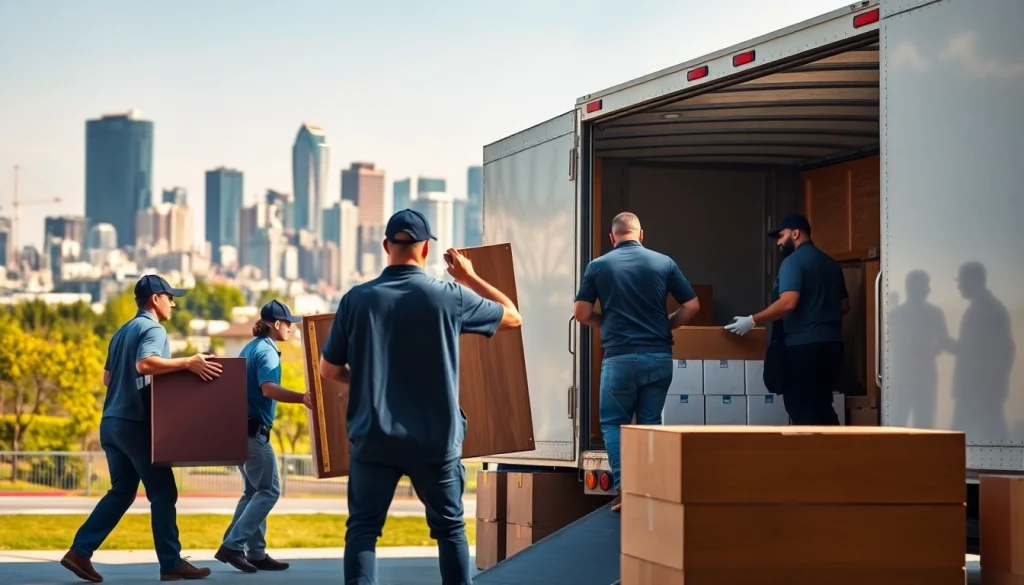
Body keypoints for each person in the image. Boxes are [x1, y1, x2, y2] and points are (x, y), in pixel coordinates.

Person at [318, 208, 522, 585]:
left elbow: (328, 371)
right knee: (449, 530)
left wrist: (365, 383)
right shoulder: (450, 297)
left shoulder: (356, 300)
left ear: (385, 246)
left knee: (363, 531)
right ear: (426, 249)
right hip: (435, 439)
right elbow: (512, 317)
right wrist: (470, 276)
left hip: (374, 438)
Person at [61, 274, 223, 583]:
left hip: (111, 423)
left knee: (122, 491)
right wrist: (188, 363)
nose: (173, 302)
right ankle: (171, 563)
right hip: (134, 424)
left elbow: (108, 379)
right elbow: (146, 363)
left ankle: (79, 552)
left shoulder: (122, 331)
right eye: (170, 297)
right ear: (155, 299)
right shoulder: (153, 328)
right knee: (163, 491)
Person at [573, 212, 700, 512]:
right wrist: (665, 326)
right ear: (641, 235)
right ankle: (650, 491)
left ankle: (628, 490)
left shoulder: (598, 266)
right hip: (659, 357)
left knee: (615, 425)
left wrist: (605, 322)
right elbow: (692, 305)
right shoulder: (664, 262)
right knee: (650, 424)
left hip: (621, 359)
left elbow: (580, 313)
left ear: (612, 236)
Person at [215, 300, 313, 573]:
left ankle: (254, 552)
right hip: (253, 433)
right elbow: (269, 389)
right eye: (289, 323)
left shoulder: (250, 347)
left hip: (240, 430)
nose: (292, 328)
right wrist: (302, 398)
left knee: (252, 492)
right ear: (276, 324)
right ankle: (233, 546)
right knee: (269, 491)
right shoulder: (267, 352)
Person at [725, 213, 849, 425]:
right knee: (822, 406)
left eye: (781, 236)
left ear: (796, 233)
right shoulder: (831, 264)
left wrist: (752, 320)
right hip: (832, 347)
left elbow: (788, 302)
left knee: (801, 408)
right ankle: (834, 456)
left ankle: (810, 457)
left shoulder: (793, 262)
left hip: (803, 348)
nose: (779, 243)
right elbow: (844, 306)